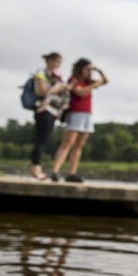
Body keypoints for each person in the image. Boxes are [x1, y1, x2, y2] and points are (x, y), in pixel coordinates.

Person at [50, 58, 108, 183]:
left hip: (87, 115)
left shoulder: (88, 81)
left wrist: (99, 71)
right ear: (80, 68)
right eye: (87, 68)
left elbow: (106, 81)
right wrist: (95, 84)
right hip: (75, 114)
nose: (88, 71)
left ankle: (72, 173)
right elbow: (81, 92)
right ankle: (54, 171)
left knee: (79, 146)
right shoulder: (73, 80)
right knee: (67, 144)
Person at [29, 52, 69, 180]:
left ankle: (36, 168)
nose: (58, 65)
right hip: (43, 109)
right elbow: (42, 90)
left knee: (44, 140)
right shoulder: (41, 72)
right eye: (57, 62)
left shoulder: (57, 76)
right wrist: (58, 87)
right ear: (50, 61)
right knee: (40, 140)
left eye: (60, 62)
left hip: (53, 111)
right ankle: (36, 168)